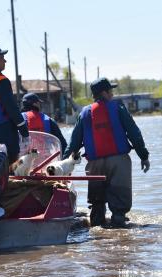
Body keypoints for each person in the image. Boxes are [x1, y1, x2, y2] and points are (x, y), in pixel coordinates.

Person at [63, 77, 150, 228]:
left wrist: (64, 165)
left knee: (97, 203)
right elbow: (134, 133)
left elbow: (74, 143)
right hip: (119, 162)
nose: (112, 94)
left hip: (94, 164)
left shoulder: (84, 113)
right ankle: (119, 224)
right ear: (104, 92)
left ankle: (98, 229)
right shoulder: (118, 108)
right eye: (110, 91)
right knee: (119, 204)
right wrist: (143, 156)